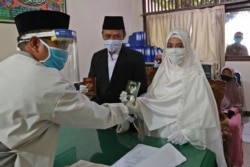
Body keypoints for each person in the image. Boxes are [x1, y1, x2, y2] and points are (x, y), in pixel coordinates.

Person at [0, 10, 130, 167]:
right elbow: (96, 116)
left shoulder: (5, 66)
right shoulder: (48, 81)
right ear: (34, 43)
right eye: (60, 44)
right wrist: (126, 109)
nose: (64, 52)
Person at [120, 28, 227, 167]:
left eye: (179, 46)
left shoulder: (195, 76)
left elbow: (203, 112)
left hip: (185, 136)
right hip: (161, 134)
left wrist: (188, 133)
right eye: (170, 46)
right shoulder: (162, 75)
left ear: (187, 48)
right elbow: (153, 102)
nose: (174, 50)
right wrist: (136, 104)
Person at [88, 16, 147, 132]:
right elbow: (92, 84)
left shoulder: (135, 57)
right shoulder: (97, 57)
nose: (112, 40)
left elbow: (139, 86)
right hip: (103, 116)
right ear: (102, 35)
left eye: (117, 36)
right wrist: (87, 93)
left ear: (123, 35)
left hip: (125, 118)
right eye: (108, 36)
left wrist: (127, 114)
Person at [220, 66, 244, 167]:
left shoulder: (236, 87)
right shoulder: (218, 85)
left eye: (228, 73)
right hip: (219, 110)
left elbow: (239, 105)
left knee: (233, 126)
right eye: (224, 73)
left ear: (232, 75)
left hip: (233, 110)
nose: (225, 75)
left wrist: (231, 111)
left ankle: (234, 157)